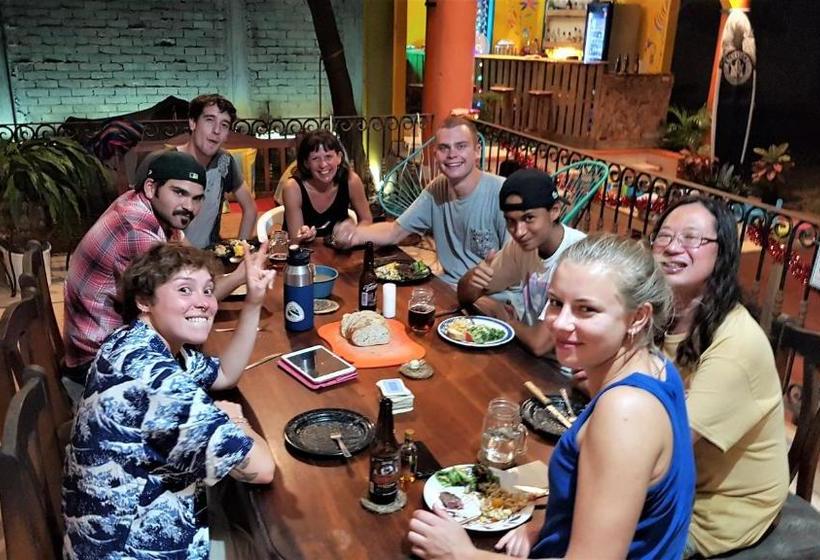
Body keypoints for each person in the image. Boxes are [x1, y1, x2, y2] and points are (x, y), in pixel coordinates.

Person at [407, 234, 695, 559]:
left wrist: (462, 554)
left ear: (638, 317)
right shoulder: (658, 366)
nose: (559, 323)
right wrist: (548, 526)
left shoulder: (625, 411)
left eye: (586, 309)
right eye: (557, 303)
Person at [62, 242, 275, 559]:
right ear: (144, 300)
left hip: (104, 535)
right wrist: (235, 419)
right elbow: (262, 468)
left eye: (207, 290)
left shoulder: (134, 341)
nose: (203, 302)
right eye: (185, 290)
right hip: (133, 547)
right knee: (267, 541)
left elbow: (225, 374)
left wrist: (254, 302)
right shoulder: (157, 380)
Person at [650, 196, 789, 558]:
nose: (672, 247)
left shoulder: (736, 344)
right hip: (674, 484)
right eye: (664, 235)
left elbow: (664, 445)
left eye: (691, 238)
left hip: (717, 511)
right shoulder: (658, 315)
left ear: (722, 253)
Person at [63, 150, 246, 386]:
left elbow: (194, 264)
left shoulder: (150, 206)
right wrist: (241, 276)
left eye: (197, 198)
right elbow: (189, 297)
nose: (189, 207)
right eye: (179, 192)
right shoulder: (137, 230)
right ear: (151, 188)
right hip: (98, 361)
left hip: (107, 343)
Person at [333, 115, 508, 287]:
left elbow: (515, 267)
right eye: (444, 148)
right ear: (435, 154)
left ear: (477, 150)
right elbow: (395, 231)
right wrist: (354, 234)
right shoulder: (437, 188)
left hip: (493, 294)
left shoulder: (501, 192)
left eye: (461, 146)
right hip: (449, 288)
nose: (452, 154)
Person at [457, 168, 585, 356]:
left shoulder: (579, 258)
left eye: (529, 218)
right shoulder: (520, 248)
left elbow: (539, 344)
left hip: (564, 367)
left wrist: (507, 322)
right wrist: (473, 280)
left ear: (554, 211)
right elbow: (465, 296)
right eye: (511, 221)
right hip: (528, 356)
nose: (519, 231)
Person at [136, 94, 258, 248]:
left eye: (224, 125)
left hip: (209, 253)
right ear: (193, 123)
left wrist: (240, 250)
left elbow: (250, 208)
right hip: (167, 256)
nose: (216, 130)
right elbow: (137, 217)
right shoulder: (160, 162)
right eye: (209, 120)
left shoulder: (224, 161)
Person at [281, 129, 372, 241]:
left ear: (339, 157)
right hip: (304, 250)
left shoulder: (351, 180)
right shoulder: (293, 188)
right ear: (306, 163)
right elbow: (296, 239)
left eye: (328, 157)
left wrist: (353, 233)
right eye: (315, 158)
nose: (323, 164)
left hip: (341, 250)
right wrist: (304, 236)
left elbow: (367, 220)